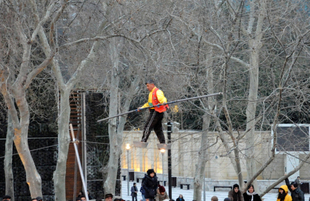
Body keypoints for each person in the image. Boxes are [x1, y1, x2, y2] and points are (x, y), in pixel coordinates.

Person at [138, 79, 168, 143]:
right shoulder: (151, 94)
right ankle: (162, 143)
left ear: (152, 85)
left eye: (148, 86)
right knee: (158, 129)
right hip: (157, 112)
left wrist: (164, 102)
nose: (147, 87)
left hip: (155, 111)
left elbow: (162, 98)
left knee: (148, 126)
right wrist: (142, 108)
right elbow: (149, 104)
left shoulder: (157, 91)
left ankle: (143, 140)